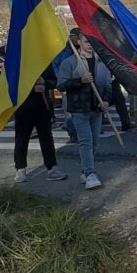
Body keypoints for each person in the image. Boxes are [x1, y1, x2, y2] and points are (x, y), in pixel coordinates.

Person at [57, 33, 111, 190]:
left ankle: (85, 170)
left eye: (92, 42)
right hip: (79, 107)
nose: (90, 44)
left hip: (97, 107)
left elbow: (107, 84)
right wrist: (80, 80)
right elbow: (61, 85)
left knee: (94, 140)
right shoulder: (70, 62)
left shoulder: (101, 61)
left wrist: (106, 100)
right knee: (85, 141)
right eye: (87, 41)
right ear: (79, 42)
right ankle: (90, 174)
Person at [13, 67, 68, 183]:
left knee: (46, 138)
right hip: (23, 107)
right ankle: (20, 169)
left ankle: (52, 167)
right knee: (22, 139)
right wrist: (32, 88)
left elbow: (54, 81)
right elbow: (11, 82)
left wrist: (45, 83)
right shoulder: (18, 61)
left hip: (43, 106)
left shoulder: (44, 61)